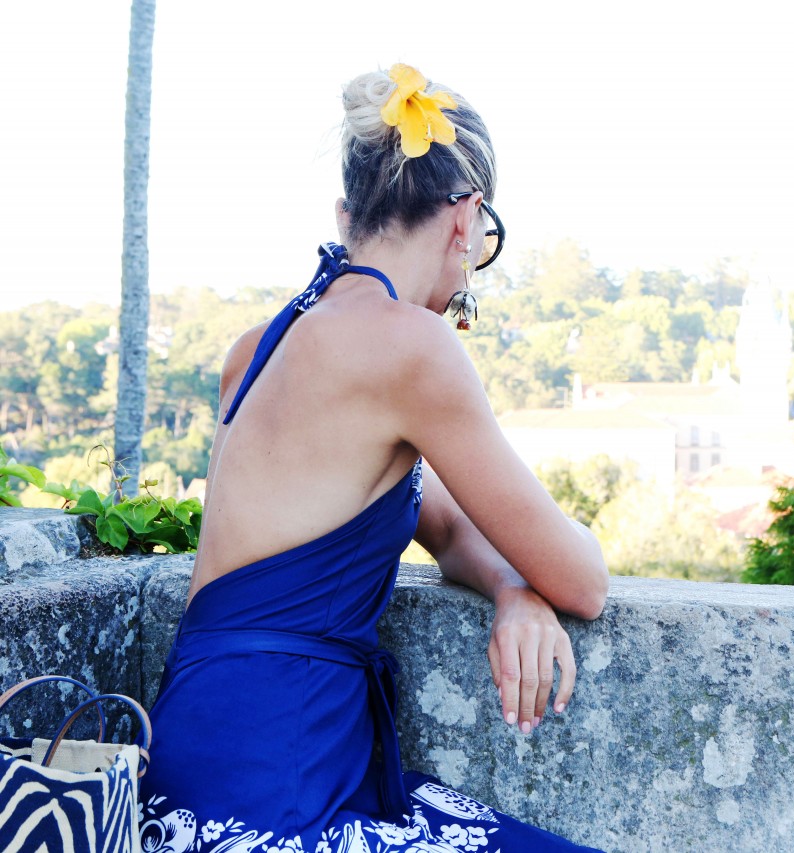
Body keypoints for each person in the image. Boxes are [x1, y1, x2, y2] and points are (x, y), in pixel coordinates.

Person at [141, 63, 609, 853]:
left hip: (185, 767)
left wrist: (512, 587)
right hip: (277, 789)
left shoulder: (257, 348)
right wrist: (544, 578)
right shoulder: (413, 346)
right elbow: (586, 581)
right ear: (467, 219)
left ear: (345, 213)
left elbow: (449, 526)